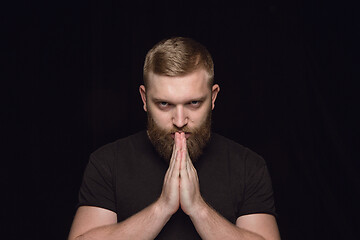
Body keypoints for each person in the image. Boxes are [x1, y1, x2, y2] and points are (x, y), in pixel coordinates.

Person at [68, 37, 281, 240]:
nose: (179, 120)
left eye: (194, 103)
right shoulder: (107, 163)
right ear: (144, 99)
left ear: (213, 97)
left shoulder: (248, 166)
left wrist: (198, 209)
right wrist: (162, 208)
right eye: (164, 104)